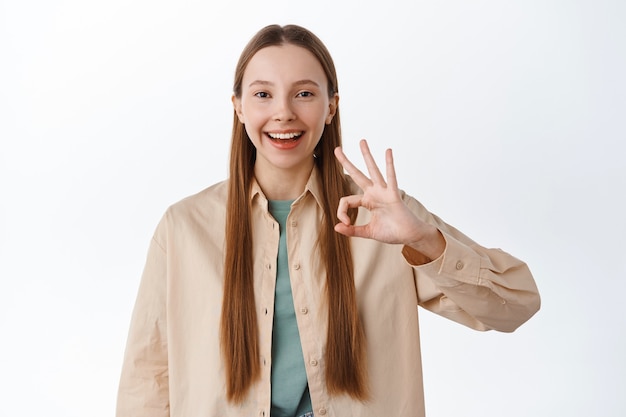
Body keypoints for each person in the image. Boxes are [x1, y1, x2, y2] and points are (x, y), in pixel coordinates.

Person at [116, 24, 540, 417]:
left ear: (331, 107)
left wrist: (425, 241)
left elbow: (515, 306)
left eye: (304, 93)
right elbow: (147, 380)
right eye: (263, 94)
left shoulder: (386, 218)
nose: (283, 113)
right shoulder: (184, 228)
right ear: (238, 107)